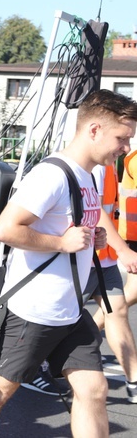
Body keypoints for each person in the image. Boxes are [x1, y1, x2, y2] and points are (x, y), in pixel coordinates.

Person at [0, 89, 137, 438]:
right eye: (122, 138)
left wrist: (98, 240)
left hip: (70, 312)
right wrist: (62, 242)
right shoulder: (52, 175)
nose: (126, 148)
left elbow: (81, 222)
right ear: (93, 130)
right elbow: (5, 229)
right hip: (34, 313)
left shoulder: (90, 175)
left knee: (94, 390)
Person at [85, 162, 137, 403]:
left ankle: (134, 381)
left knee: (117, 311)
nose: (125, 146)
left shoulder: (108, 163)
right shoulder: (96, 165)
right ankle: (37, 365)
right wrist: (124, 250)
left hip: (103, 257)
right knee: (55, 321)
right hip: (83, 258)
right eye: (122, 138)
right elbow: (97, 211)